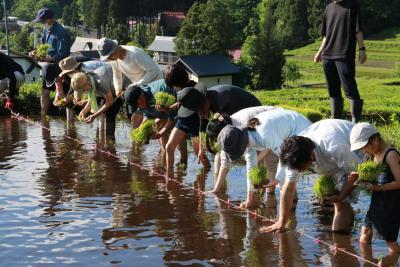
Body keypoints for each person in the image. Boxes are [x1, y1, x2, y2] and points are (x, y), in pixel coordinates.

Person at [261, 119, 363, 233]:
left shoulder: (335, 146)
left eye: (300, 168)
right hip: (331, 157)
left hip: (355, 150)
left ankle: (341, 240)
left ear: (310, 156)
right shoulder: (295, 152)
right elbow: (289, 187)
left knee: (342, 202)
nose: (299, 171)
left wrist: (341, 196)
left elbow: (359, 173)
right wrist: (282, 221)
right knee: (338, 197)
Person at [216, 109, 312, 208]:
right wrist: (250, 199)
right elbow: (251, 168)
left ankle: (291, 209)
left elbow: (286, 158)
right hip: (286, 134)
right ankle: (289, 209)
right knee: (283, 176)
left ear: (241, 146)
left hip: (303, 129)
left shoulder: (265, 134)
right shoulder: (246, 137)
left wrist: (277, 179)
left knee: (288, 174)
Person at [349, 122, 400, 253]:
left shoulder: (391, 155)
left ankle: (394, 261)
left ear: (375, 139)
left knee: (390, 241)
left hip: (391, 204)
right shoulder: (372, 155)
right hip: (377, 202)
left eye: (365, 146)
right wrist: (360, 176)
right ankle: (367, 261)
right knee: (365, 234)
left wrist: (379, 188)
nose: (364, 150)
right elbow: (372, 177)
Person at [206, 106, 281, 193]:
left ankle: (273, 196)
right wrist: (215, 190)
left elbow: (268, 145)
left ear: (222, 132)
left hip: (277, 121)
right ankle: (262, 195)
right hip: (262, 131)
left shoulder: (243, 123)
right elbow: (224, 163)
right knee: (255, 162)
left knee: (270, 164)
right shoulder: (228, 134)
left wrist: (254, 160)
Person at [314, 0, 367, 123]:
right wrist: (319, 52)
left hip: (344, 54)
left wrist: (362, 49)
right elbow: (326, 35)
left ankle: (355, 122)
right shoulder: (328, 8)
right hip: (327, 55)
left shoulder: (353, 5)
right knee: (333, 90)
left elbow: (357, 30)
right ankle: (336, 121)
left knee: (350, 88)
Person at [31, 7, 71, 114]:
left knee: (66, 96)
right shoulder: (46, 31)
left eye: (43, 21)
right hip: (49, 68)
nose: (42, 23)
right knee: (44, 92)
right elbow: (43, 48)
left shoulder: (62, 32)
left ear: (49, 19)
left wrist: (45, 58)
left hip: (61, 68)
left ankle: (70, 125)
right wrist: (36, 53)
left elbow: (63, 54)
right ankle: (44, 117)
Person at [70, 66, 126, 138]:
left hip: (124, 86)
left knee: (110, 112)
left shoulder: (100, 81)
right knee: (105, 108)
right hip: (112, 89)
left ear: (88, 84)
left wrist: (94, 116)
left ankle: (110, 140)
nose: (84, 93)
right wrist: (83, 111)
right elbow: (91, 98)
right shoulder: (90, 79)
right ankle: (106, 139)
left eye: (83, 90)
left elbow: (109, 101)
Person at [97, 38, 162, 96]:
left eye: (110, 56)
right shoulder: (114, 60)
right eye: (107, 57)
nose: (109, 59)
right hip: (141, 86)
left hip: (156, 84)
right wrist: (118, 89)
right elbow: (117, 75)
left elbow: (153, 71)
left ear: (115, 48)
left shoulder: (135, 54)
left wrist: (137, 84)